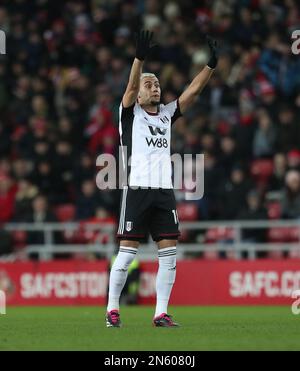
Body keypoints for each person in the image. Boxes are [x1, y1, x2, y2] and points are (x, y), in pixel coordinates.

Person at [106, 30, 218, 328]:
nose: (154, 87)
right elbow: (129, 86)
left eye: (156, 84)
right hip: (138, 189)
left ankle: (160, 313)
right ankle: (113, 308)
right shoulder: (129, 115)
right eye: (148, 84)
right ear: (139, 94)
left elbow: (191, 93)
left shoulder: (167, 114)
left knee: (168, 252)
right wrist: (139, 60)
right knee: (127, 251)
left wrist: (210, 67)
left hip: (164, 192)